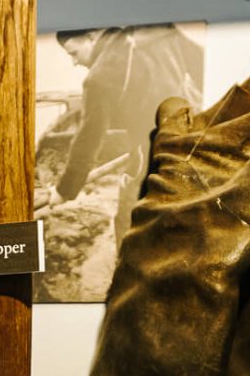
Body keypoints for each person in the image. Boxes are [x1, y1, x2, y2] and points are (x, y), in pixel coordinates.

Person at [44, 25, 200, 242]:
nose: (74, 62)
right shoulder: (159, 32)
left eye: (74, 53)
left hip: (156, 152)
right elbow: (201, 65)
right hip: (192, 135)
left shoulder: (98, 79)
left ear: (91, 38)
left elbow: (88, 138)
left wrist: (64, 190)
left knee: (127, 223)